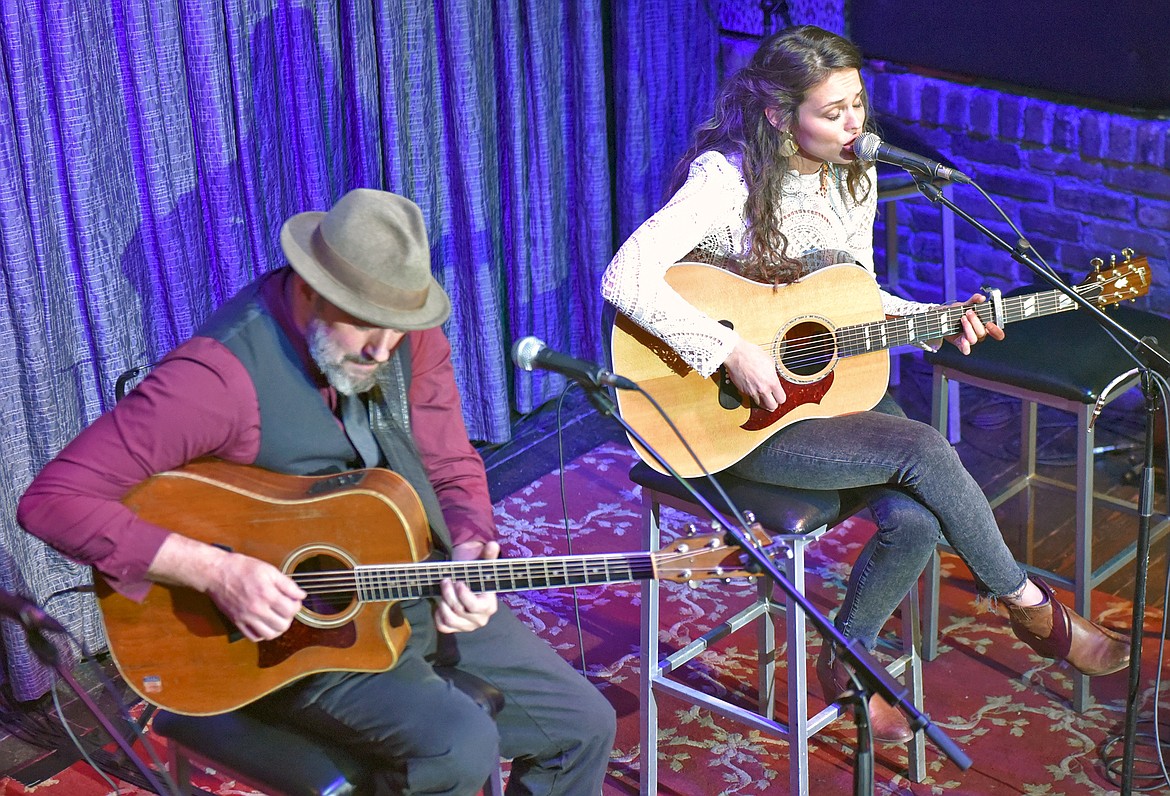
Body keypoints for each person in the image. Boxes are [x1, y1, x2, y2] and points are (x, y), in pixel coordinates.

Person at [601, 25, 1129, 745]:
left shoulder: (856, 174)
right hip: (729, 418)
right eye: (832, 111)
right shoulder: (726, 179)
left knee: (916, 517)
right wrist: (728, 348)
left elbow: (854, 296)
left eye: (858, 104)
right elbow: (624, 277)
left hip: (823, 396)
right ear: (781, 117)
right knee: (923, 449)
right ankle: (1031, 606)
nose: (854, 125)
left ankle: (845, 660)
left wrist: (935, 320)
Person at [19, 188, 616, 795]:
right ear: (310, 289)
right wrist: (215, 573)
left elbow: (451, 462)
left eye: (397, 328)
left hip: (406, 582)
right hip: (276, 631)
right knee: (459, 747)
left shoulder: (405, 334)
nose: (382, 350)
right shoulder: (217, 379)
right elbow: (53, 501)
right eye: (362, 322)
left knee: (584, 726)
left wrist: (470, 548)